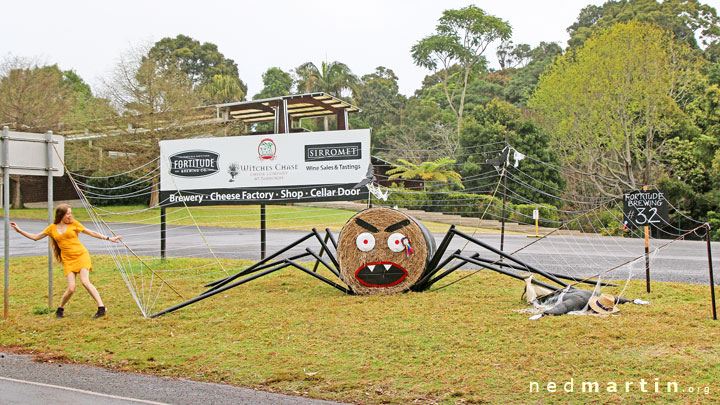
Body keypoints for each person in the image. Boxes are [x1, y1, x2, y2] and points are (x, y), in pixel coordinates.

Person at [10, 204, 121, 319]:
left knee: (84, 281)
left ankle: (101, 307)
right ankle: (60, 309)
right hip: (68, 260)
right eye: (68, 213)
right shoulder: (52, 228)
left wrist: (109, 238)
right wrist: (19, 231)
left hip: (81, 255)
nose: (70, 215)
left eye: (70, 213)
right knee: (71, 288)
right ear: (61, 215)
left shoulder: (74, 224)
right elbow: (35, 237)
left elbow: (91, 232)